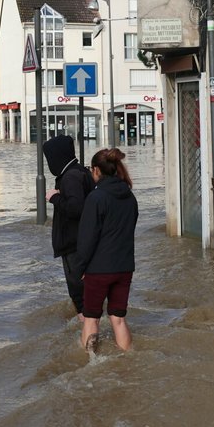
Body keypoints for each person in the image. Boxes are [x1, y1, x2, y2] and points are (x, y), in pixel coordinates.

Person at [73, 148, 139, 353]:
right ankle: (128, 360)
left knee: (91, 319)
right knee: (118, 318)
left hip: (98, 269)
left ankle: (90, 364)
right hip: (124, 267)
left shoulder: (96, 198)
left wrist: (80, 267)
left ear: (96, 171)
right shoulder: (130, 197)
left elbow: (87, 239)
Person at [44, 135, 94, 317]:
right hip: (80, 243)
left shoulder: (71, 176)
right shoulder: (78, 172)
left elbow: (76, 208)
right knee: (85, 296)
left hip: (74, 245)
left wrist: (54, 198)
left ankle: (88, 337)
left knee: (79, 297)